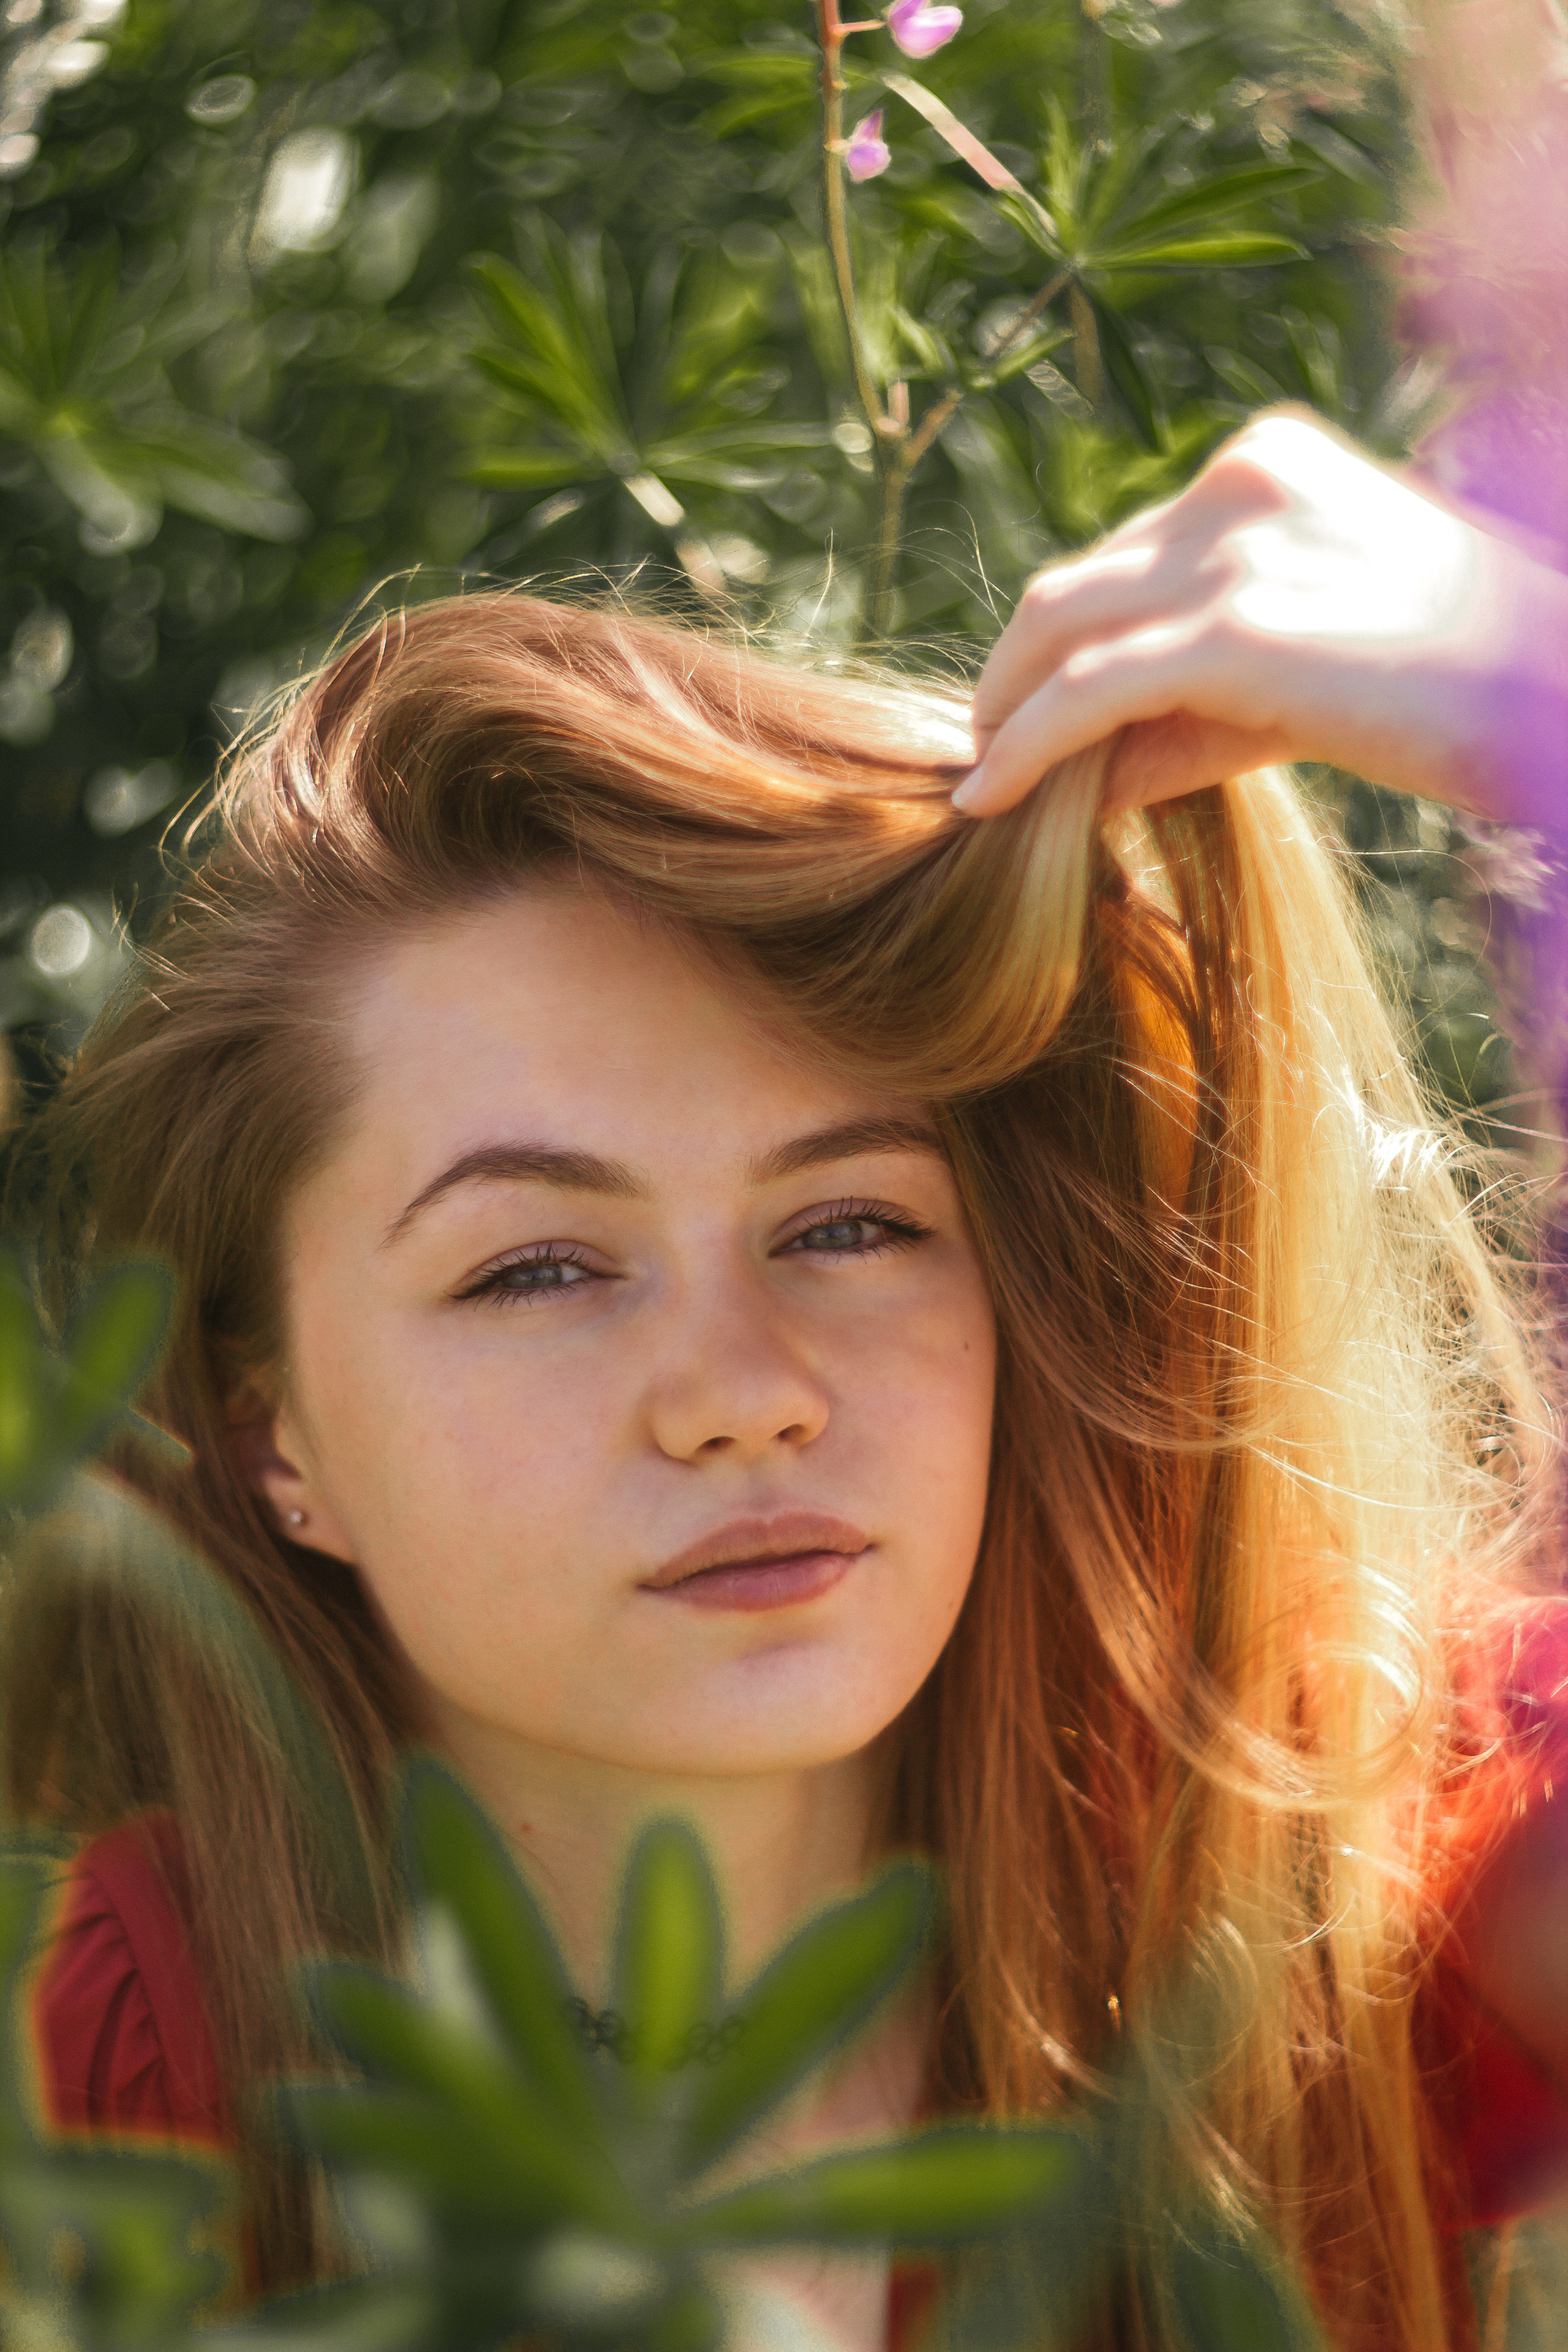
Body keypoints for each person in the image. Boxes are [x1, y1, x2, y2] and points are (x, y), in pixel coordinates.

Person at [8, 409, 1568, 2352]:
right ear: (273, 1435)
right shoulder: (139, 2047)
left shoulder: (1304, 1873)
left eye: (849, 1225)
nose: (742, 1393)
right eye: (540, 1267)